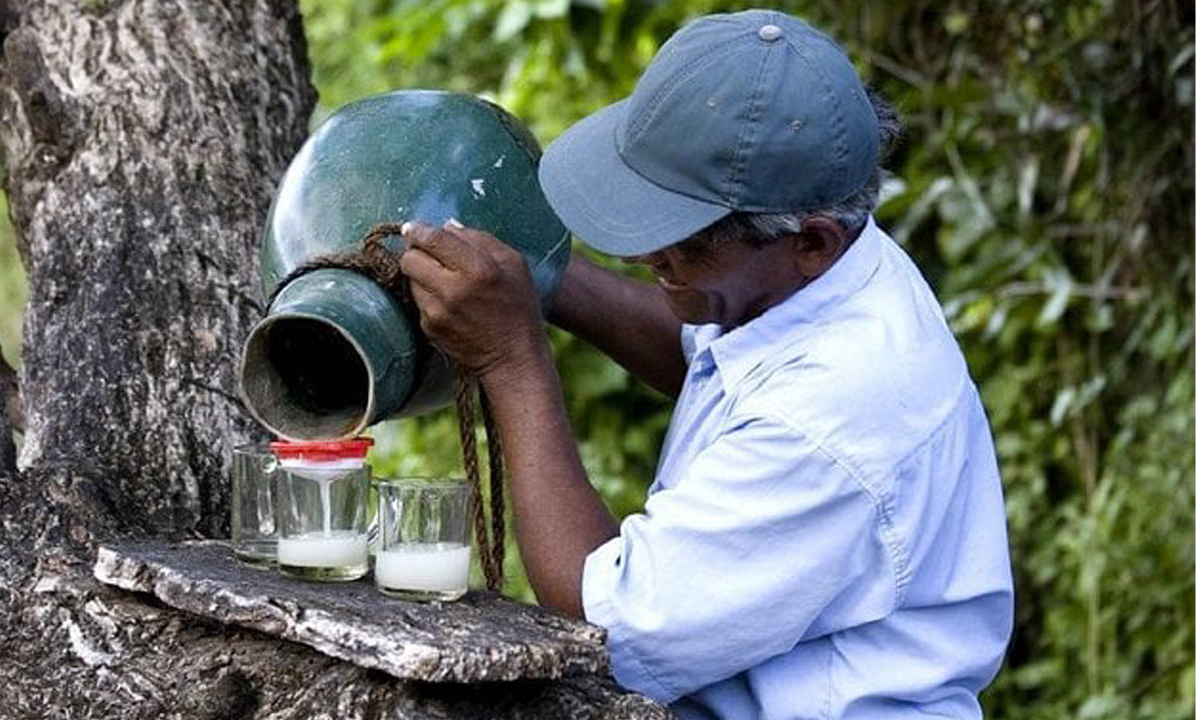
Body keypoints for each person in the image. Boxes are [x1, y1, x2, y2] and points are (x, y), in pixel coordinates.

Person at [399, 9, 1013, 719]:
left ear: (810, 241)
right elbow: (701, 347)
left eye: (679, 241)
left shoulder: (835, 410)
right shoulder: (825, 267)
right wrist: (537, 280)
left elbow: (605, 628)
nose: (640, 256)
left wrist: (511, 355)